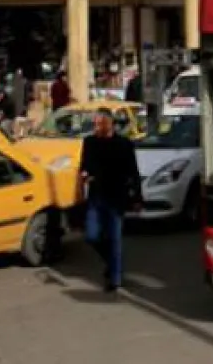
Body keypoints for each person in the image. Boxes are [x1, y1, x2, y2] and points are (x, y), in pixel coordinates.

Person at [78, 108, 141, 292]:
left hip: (116, 197)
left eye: (100, 123)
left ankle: (115, 279)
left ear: (110, 123)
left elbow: (133, 172)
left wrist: (137, 197)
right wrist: (84, 175)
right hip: (96, 196)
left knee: (115, 238)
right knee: (92, 236)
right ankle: (112, 263)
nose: (96, 127)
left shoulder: (124, 144)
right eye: (95, 124)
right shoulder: (89, 142)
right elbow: (84, 165)